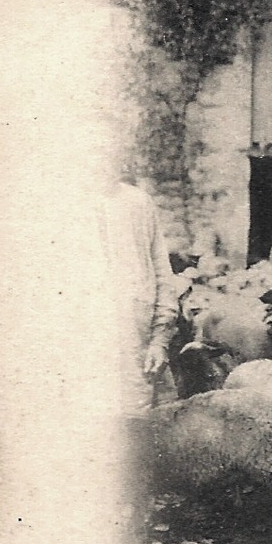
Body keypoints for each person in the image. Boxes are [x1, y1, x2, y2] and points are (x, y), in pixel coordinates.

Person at [101, 166, 179, 415]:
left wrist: (160, 341)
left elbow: (162, 274)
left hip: (139, 355)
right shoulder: (59, 204)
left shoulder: (139, 203)